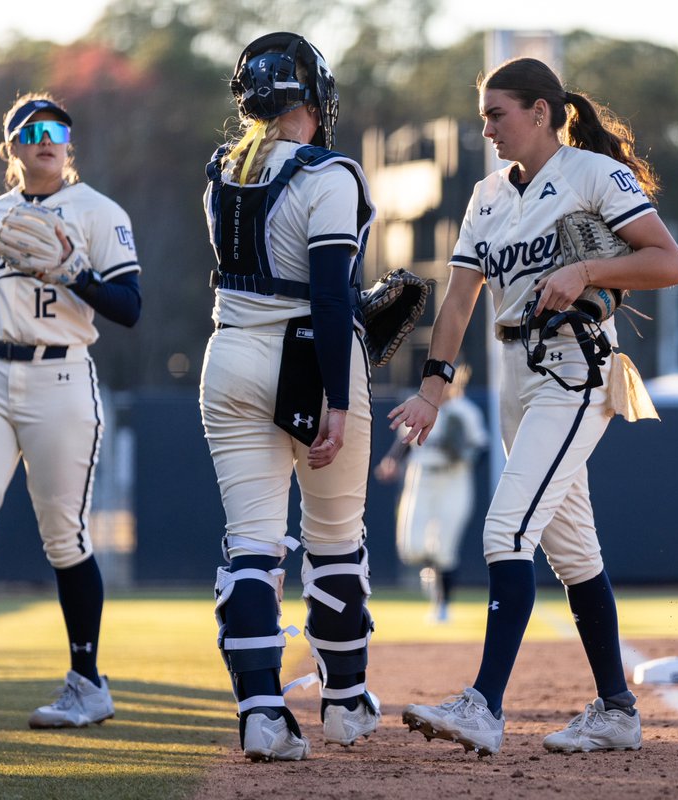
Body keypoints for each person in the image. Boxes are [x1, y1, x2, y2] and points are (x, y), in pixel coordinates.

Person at [392, 57, 678, 755]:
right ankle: (616, 710)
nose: (487, 128)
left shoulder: (591, 174)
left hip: (573, 367)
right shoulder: (487, 194)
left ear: (541, 112)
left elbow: (669, 263)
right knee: (574, 552)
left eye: (498, 114)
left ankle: (483, 707)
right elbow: (461, 297)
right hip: (513, 377)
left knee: (505, 531)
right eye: (484, 116)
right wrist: (433, 388)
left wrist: (588, 268)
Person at [199, 32, 379, 761]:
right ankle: (343, 704)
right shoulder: (330, 174)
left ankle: (262, 716)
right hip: (307, 359)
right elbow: (330, 296)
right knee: (335, 541)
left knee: (251, 547)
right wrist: (338, 396)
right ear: (310, 98)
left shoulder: (219, 171)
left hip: (228, 355)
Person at [0, 93, 142, 727]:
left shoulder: (98, 211)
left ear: (69, 143)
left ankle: (87, 683)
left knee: (66, 536)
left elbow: (130, 307)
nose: (45, 137)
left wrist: (75, 274)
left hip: (59, 374)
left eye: (56, 128)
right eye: (29, 130)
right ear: (10, 149)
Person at [375, 363, 487, 623]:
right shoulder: (420, 405)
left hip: (454, 478)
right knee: (411, 547)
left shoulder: (464, 411)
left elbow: (481, 448)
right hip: (421, 477)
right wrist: (392, 460)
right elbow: (405, 441)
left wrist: (463, 454)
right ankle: (431, 572)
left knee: (445, 547)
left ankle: (442, 605)